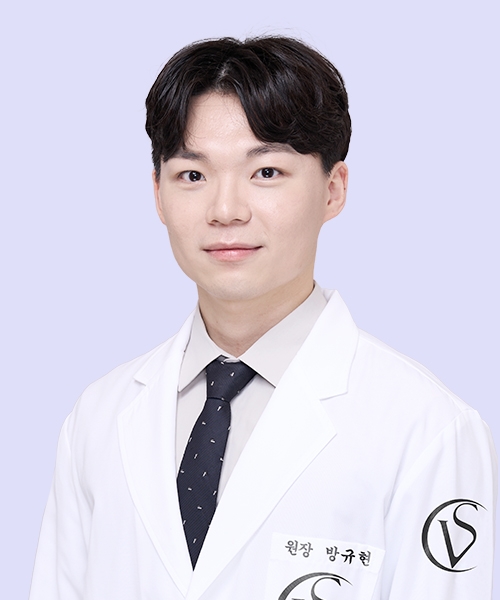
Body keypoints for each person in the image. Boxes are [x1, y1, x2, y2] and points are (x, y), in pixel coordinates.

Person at [30, 36, 497, 600]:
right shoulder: (98, 418)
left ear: (333, 189)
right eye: (193, 176)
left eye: (267, 172)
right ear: (157, 194)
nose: (226, 210)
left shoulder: (427, 429)